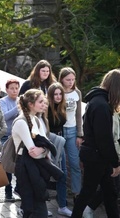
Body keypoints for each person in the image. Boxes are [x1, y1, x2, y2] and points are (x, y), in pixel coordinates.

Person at [71, 69, 120, 218]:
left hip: (96, 156)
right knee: (88, 192)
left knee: (109, 193)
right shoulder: (102, 105)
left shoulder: (97, 101)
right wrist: (115, 163)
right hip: (97, 157)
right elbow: (104, 139)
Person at [12, 89, 54, 217]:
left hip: (35, 166)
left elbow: (45, 146)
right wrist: (44, 150)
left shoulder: (35, 119)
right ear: (31, 104)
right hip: (25, 167)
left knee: (37, 206)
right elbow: (33, 152)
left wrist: (43, 149)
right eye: (40, 101)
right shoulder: (21, 122)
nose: (44, 104)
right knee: (32, 208)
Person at [46, 83, 72, 216]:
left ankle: (62, 205)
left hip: (60, 143)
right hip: (48, 143)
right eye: (55, 94)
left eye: (60, 94)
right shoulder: (46, 109)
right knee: (44, 176)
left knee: (62, 175)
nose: (58, 96)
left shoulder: (62, 107)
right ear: (50, 95)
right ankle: (41, 206)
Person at [58, 67, 83, 203]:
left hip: (73, 130)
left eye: (73, 80)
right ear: (62, 79)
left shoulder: (77, 92)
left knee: (75, 163)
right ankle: (60, 195)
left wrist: (80, 133)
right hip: (60, 130)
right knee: (60, 164)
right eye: (68, 80)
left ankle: (76, 193)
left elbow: (79, 115)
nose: (70, 82)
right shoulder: (58, 91)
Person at [0, 79, 20, 202]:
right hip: (6, 136)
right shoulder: (2, 101)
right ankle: (8, 191)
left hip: (18, 137)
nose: (14, 90)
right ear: (6, 90)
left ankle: (19, 188)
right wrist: (17, 108)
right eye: (12, 88)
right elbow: (4, 116)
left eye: (16, 88)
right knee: (8, 163)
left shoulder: (20, 100)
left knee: (19, 163)